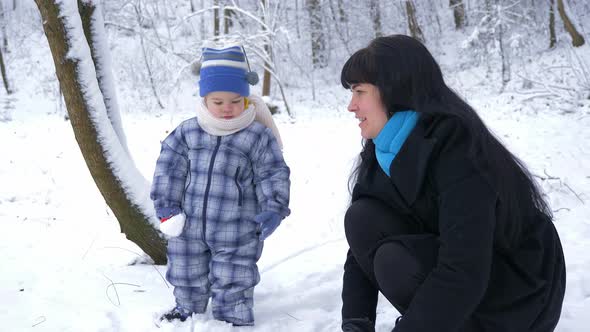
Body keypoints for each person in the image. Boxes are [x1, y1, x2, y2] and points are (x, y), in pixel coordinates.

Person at [340, 35, 566, 332]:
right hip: (471, 277)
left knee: (395, 262)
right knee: (361, 218)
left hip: (521, 292)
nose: (351, 106)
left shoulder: (458, 147)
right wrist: (355, 324)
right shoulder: (382, 150)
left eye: (359, 92)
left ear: (393, 90)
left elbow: (464, 268)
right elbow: (359, 252)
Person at [150, 43, 290, 326]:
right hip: (188, 225)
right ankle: (187, 307)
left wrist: (274, 207)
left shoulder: (256, 136)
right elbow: (168, 169)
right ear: (205, 99)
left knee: (235, 274)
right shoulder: (188, 132)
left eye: (236, 101)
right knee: (186, 269)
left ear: (246, 99)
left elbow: (273, 172)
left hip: (237, 228)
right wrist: (166, 206)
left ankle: (233, 314)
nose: (228, 108)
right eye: (218, 102)